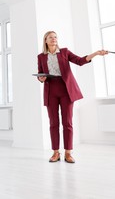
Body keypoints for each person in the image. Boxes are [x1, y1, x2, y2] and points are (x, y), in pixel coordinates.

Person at [37, 31, 108, 163]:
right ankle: (55, 153)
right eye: (50, 37)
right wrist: (41, 78)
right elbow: (40, 74)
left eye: (55, 37)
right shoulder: (41, 57)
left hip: (66, 90)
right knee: (53, 123)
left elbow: (80, 61)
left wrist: (96, 53)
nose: (54, 39)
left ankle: (68, 153)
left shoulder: (64, 52)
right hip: (50, 90)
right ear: (45, 40)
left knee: (67, 122)